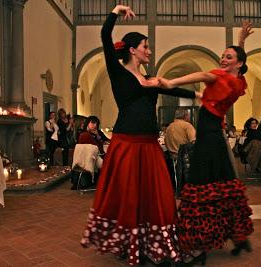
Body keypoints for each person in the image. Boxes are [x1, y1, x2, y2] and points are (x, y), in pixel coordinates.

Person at [80, 5, 200, 267]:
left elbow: (173, 89)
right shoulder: (118, 71)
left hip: (148, 144)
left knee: (156, 195)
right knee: (130, 196)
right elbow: (104, 37)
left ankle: (158, 245)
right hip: (127, 143)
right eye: (145, 46)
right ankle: (131, 244)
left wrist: (197, 95)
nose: (149, 50)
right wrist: (114, 11)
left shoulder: (151, 78)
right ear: (133, 50)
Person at [157, 20, 254, 265]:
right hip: (216, 135)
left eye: (228, 57)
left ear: (237, 62)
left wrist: (171, 83)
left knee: (200, 183)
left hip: (209, 135)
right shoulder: (239, 81)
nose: (223, 59)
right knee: (224, 183)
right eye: (223, 56)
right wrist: (241, 41)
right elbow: (240, 66)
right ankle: (238, 235)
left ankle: (195, 246)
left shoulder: (222, 78)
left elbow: (202, 74)